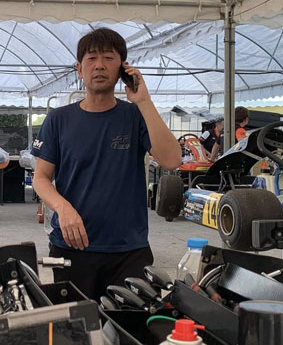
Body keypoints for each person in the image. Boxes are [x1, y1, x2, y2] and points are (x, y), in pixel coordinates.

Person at [30, 28, 181, 301]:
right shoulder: (58, 120)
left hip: (128, 252)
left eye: (109, 58)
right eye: (91, 58)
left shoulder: (135, 116)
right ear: (79, 69)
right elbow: (40, 178)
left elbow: (172, 160)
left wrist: (144, 101)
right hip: (72, 248)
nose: (99, 65)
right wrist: (63, 208)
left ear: (123, 68)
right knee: (77, 327)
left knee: (131, 326)